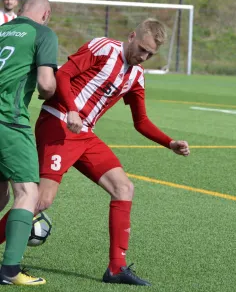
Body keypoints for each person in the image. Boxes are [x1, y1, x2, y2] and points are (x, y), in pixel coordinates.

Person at [0, 18, 190, 285]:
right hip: (59, 123)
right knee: (40, 200)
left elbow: (141, 121)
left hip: (85, 134)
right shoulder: (102, 47)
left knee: (124, 188)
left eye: (150, 54)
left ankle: (116, 267)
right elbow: (63, 75)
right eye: (142, 49)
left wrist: (169, 143)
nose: (144, 56)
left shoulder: (136, 75)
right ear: (132, 35)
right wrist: (72, 110)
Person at [0, 0, 58, 286]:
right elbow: (46, 84)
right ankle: (10, 271)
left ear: (20, 9)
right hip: (9, 121)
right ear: (45, 14)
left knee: (0, 197)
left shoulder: (1, 30)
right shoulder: (43, 33)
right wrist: (50, 91)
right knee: (27, 193)